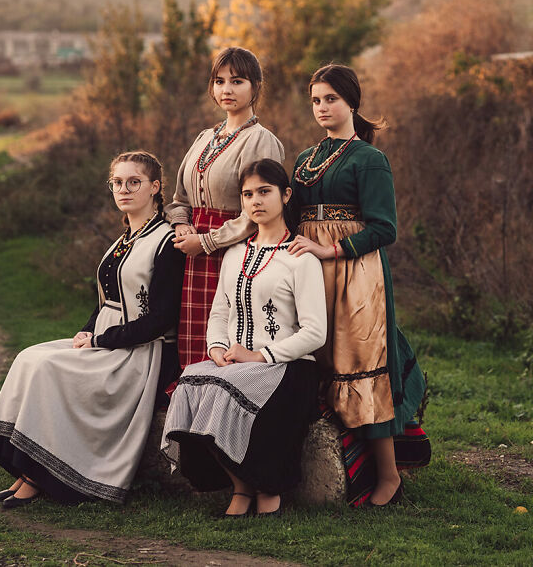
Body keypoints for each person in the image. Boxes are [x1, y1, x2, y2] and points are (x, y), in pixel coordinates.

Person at [0, 151, 185, 509]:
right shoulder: (125, 238)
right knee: (29, 357)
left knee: (49, 368)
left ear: (155, 187)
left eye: (134, 182)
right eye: (117, 183)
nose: (124, 189)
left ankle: (38, 477)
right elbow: (105, 300)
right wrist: (85, 333)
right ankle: (26, 469)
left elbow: (161, 319)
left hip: (139, 354)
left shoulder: (165, 241)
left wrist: (100, 340)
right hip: (107, 342)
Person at [287, 64, 429, 508]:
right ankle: (331, 468)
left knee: (363, 364)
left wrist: (331, 249)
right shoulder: (304, 159)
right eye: (316, 100)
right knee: (316, 358)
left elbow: (385, 228)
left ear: (351, 102)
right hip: (310, 271)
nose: (322, 107)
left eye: (331, 98)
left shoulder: (369, 159)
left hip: (356, 273)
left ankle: (388, 476)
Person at [161, 159, 326, 517]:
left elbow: (315, 332)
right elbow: (219, 312)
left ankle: (267, 484)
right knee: (190, 381)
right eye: (248, 194)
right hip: (237, 364)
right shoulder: (235, 253)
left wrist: (260, 356)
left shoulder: (300, 258)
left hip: (289, 368)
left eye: (265, 192)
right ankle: (241, 484)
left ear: (285, 195)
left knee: (222, 388)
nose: (256, 201)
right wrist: (217, 348)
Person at [166, 46, 285, 371]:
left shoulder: (261, 140)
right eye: (219, 81)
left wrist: (206, 241)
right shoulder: (205, 137)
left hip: (234, 251)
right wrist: (181, 225)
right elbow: (180, 199)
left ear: (255, 86)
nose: (226, 90)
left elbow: (260, 212)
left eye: (237, 81)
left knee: (225, 338)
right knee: (193, 338)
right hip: (193, 254)